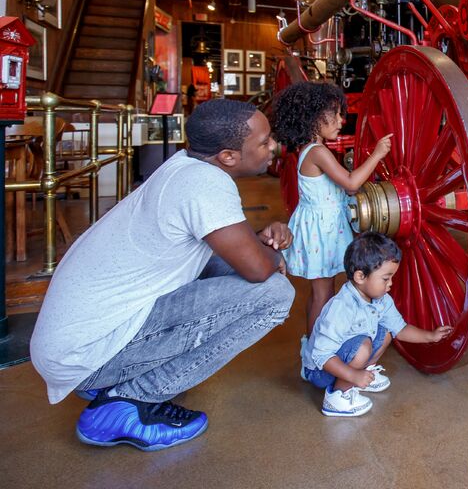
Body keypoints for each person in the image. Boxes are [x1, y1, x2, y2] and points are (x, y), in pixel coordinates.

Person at [30, 99, 295, 452]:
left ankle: (116, 381)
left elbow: (238, 254)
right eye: (264, 142)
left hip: (69, 347)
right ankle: (129, 402)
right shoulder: (206, 184)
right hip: (84, 356)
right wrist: (269, 251)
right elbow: (260, 270)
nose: (273, 147)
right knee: (275, 295)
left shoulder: (185, 164)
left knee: (228, 266)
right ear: (229, 156)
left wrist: (259, 245)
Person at [270, 81, 392, 341]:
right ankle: (317, 352)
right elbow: (350, 184)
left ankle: (321, 345)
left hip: (326, 228)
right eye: (335, 114)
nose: (341, 120)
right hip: (322, 232)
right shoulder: (317, 152)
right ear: (314, 118)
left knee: (324, 291)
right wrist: (377, 155)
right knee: (322, 294)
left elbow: (344, 189)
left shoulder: (312, 150)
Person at [302, 231, 452, 417]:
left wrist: (431, 335)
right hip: (320, 370)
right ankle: (338, 396)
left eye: (391, 278)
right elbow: (321, 355)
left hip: (342, 359)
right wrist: (353, 376)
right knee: (363, 346)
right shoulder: (342, 307)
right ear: (360, 277)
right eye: (385, 278)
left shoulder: (381, 299)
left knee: (387, 331)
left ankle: (363, 373)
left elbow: (401, 329)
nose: (390, 284)